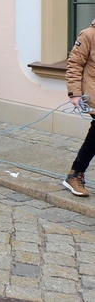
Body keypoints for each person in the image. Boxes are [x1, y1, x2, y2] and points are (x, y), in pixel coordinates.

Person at [63, 19, 95, 197]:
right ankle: (75, 174)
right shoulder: (88, 35)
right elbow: (74, 64)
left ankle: (75, 173)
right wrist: (74, 93)